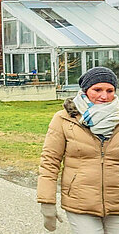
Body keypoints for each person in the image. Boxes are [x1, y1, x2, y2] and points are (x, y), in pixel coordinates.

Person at [38, 66, 119, 233]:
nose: (104, 96)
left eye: (110, 90)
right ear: (85, 90)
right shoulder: (64, 119)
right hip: (80, 201)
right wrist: (47, 201)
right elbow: (49, 162)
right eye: (97, 89)